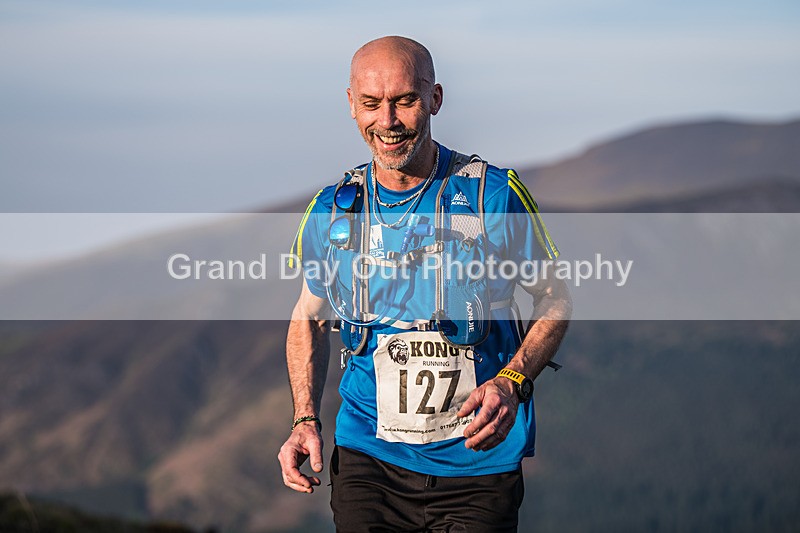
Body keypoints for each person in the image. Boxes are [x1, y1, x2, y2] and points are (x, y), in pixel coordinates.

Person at [278, 35, 571, 532]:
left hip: (479, 467)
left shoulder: (492, 196)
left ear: (435, 98)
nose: (387, 122)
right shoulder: (332, 210)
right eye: (371, 104)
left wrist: (512, 380)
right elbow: (310, 314)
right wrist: (304, 419)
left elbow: (555, 298)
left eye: (405, 101)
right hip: (368, 459)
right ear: (351, 105)